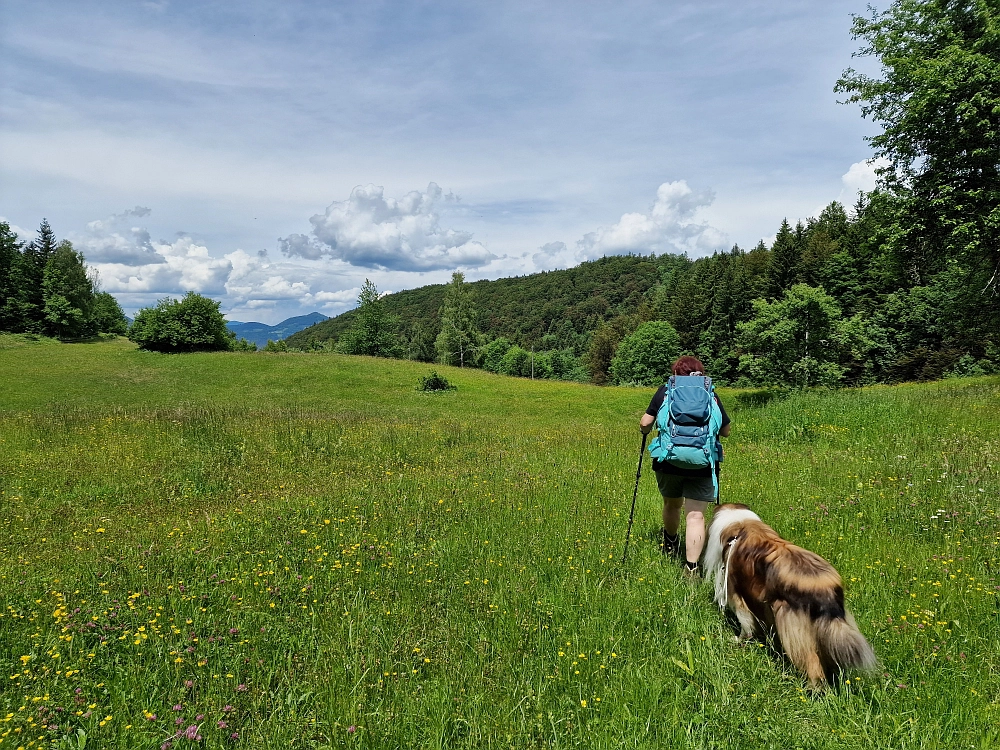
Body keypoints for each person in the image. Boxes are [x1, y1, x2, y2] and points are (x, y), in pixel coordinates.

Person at [639, 356, 730, 578]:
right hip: (702, 461)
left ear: (676, 372)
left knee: (672, 505)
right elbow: (725, 430)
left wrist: (645, 433)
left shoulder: (666, 390)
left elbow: (644, 423)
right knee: (696, 515)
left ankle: (670, 541)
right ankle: (691, 567)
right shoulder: (710, 392)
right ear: (700, 373)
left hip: (669, 460)